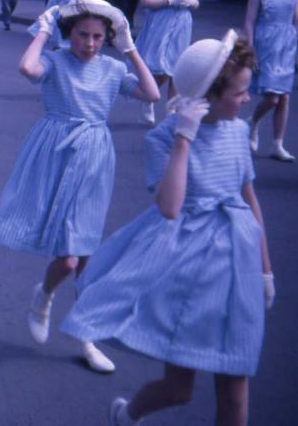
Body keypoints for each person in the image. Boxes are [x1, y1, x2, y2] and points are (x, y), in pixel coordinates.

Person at [61, 32, 274, 426]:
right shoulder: (165, 138)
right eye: (240, 92)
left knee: (235, 390)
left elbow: (249, 200)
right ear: (209, 94)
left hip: (239, 265)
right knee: (179, 388)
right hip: (191, 274)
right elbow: (170, 207)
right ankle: (127, 415)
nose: (247, 99)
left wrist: (265, 270)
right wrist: (184, 138)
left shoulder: (239, 132)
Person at [0, 0, 159, 374]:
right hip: (56, 154)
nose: (91, 44)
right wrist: (45, 27)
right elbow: (26, 67)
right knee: (69, 256)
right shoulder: (57, 60)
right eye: (83, 35)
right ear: (70, 34)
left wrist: (129, 48)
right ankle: (45, 295)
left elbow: (152, 93)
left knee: (85, 256)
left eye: (99, 37)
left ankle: (86, 337)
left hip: (95, 159)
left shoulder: (112, 69)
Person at [135, 0, 200, 125]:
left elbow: (196, 1)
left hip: (182, 26)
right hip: (161, 25)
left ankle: (171, 110)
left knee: (176, 69)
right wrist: (168, 0)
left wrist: (191, 2)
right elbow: (145, 1)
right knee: (162, 69)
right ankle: (149, 98)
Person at [243, 0, 298, 162]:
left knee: (284, 96)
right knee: (273, 98)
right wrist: (250, 49)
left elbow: (296, 21)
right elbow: (249, 22)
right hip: (266, 44)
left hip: (287, 45)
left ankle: (278, 144)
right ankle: (253, 122)